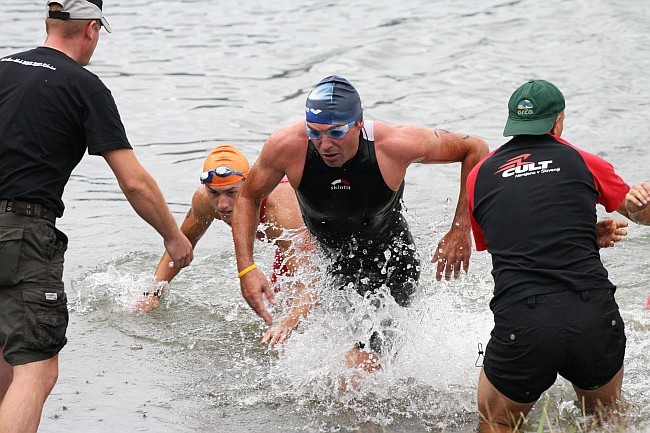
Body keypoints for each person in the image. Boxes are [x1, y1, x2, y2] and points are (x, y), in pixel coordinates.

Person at [0, 2, 193, 432]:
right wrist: (173, 238)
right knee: (35, 369)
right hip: (21, 233)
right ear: (91, 29)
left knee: (4, 363)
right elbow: (134, 182)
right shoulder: (83, 85)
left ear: (48, 23)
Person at [232, 75, 489, 370]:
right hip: (333, 266)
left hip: (393, 264)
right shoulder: (287, 146)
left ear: (358, 123)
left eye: (336, 132)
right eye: (314, 132)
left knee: (357, 366)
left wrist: (460, 230)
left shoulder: (395, 144)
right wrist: (247, 268)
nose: (325, 145)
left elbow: (476, 149)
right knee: (327, 355)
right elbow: (247, 198)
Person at [467, 79, 636, 432]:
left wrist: (580, 234)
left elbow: (507, 242)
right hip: (592, 314)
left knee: (496, 420)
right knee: (606, 419)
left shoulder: (479, 175)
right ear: (558, 121)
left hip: (525, 324)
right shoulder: (582, 159)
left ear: (512, 121)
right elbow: (639, 212)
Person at [139, 145, 307, 312]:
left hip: (314, 235)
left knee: (299, 304)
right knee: (279, 303)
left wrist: (292, 320)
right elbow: (183, 242)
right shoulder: (204, 200)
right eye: (214, 193)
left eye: (231, 193)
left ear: (248, 184)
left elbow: (307, 278)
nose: (222, 205)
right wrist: (152, 293)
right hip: (289, 247)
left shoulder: (279, 210)